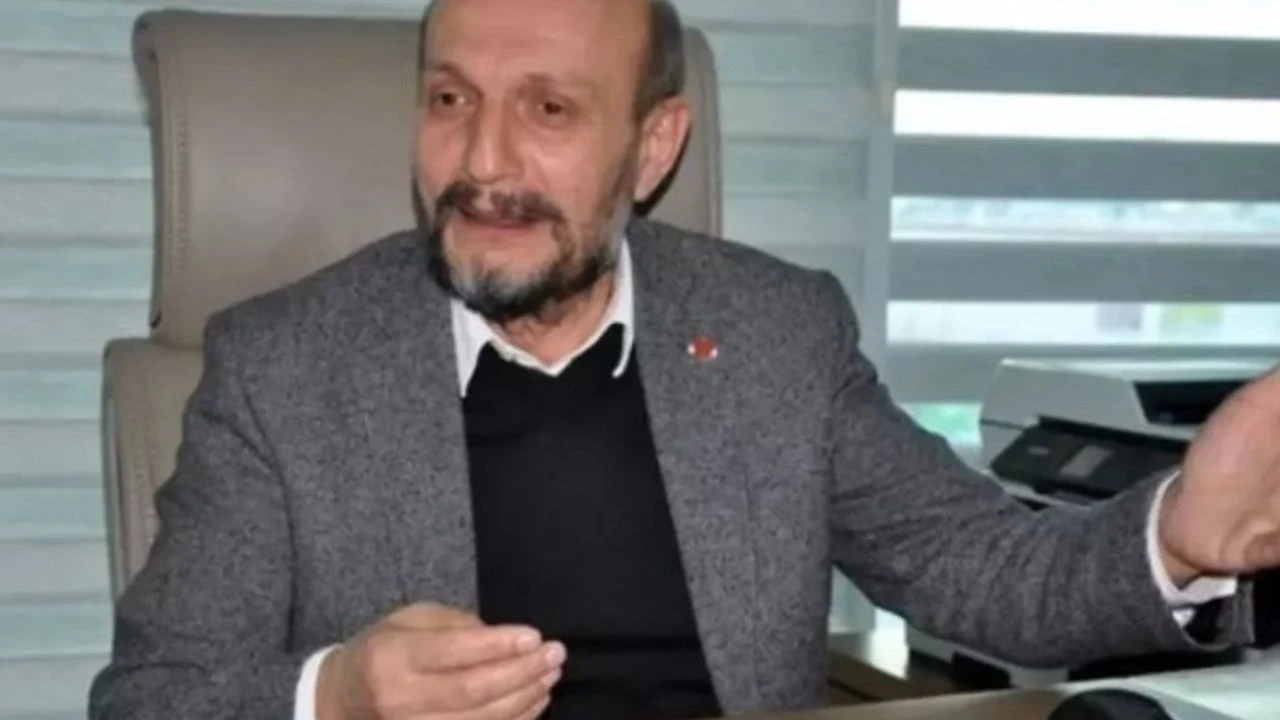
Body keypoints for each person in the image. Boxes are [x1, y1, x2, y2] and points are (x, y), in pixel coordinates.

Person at [89, 0, 1280, 718]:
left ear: (653, 146)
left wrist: (1173, 539)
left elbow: (980, 570)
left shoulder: (776, 334)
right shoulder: (281, 370)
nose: (482, 162)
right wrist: (336, 696)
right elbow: (152, 698)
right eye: (450, 99)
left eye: (548, 111)